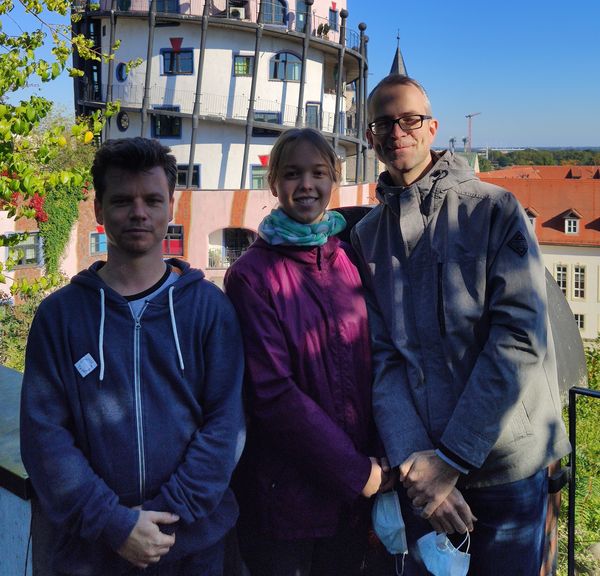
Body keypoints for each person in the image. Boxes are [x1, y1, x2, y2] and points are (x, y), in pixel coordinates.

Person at [351, 75, 570, 575]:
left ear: (432, 128)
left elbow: (519, 339)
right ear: (369, 138)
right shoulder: (368, 236)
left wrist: (450, 461)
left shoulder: (492, 209)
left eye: (409, 120)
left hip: (505, 468)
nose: (396, 132)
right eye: (383, 123)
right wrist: (417, 462)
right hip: (424, 471)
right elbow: (383, 359)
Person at [20, 137, 245, 576]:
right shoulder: (59, 316)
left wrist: (165, 518)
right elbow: (44, 437)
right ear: (99, 210)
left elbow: (226, 425)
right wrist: (116, 524)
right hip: (91, 553)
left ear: (170, 207)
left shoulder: (209, 309)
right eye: (122, 200)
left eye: (152, 200)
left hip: (193, 549)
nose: (139, 212)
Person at [224, 128, 391, 576]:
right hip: (288, 502)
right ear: (273, 182)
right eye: (292, 174)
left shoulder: (347, 259)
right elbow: (272, 393)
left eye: (318, 173)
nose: (307, 185)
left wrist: (378, 459)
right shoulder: (251, 276)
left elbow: (376, 362)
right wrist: (356, 472)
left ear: (334, 178)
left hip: (353, 497)